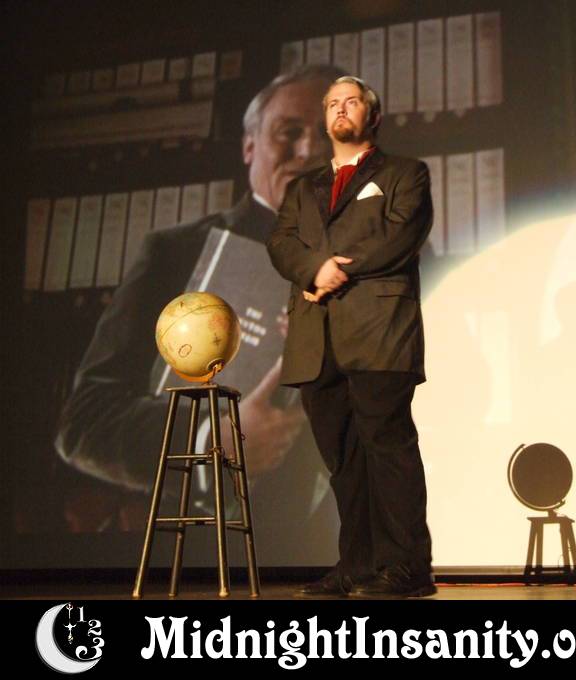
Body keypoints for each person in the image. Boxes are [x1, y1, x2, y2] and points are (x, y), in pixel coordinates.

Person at [55, 64, 346, 565]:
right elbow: (84, 424)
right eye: (289, 132)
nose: (310, 151)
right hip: (205, 563)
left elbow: (459, 403)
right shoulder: (173, 253)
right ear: (249, 146)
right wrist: (213, 442)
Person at [268, 76, 435, 597]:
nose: (341, 109)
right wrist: (313, 269)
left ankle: (407, 566)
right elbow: (281, 244)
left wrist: (337, 269)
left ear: (373, 115)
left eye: (352, 102)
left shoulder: (406, 173)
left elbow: (401, 234)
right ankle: (358, 565)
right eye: (333, 104)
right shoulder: (302, 187)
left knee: (388, 450)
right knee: (341, 460)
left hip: (380, 332)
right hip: (316, 339)